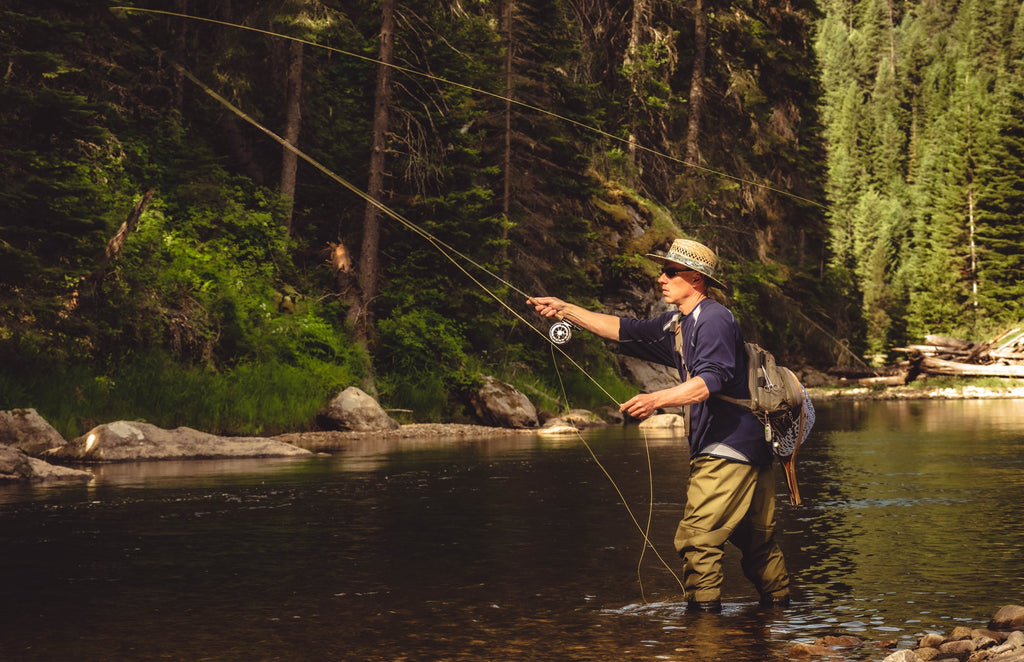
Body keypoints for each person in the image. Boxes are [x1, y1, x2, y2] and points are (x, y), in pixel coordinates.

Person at [529, 237, 790, 613]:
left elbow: (710, 380)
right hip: (749, 446)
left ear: (696, 280)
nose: (661, 278)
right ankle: (784, 621)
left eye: (670, 272)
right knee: (756, 542)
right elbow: (624, 329)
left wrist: (656, 400)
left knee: (698, 540)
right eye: (661, 271)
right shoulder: (678, 323)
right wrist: (567, 310)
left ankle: (704, 635)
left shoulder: (714, 319)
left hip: (726, 448)